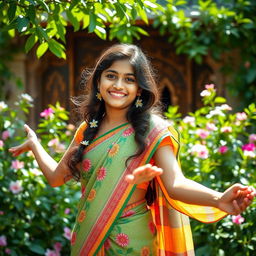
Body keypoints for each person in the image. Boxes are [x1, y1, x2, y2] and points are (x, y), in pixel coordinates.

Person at [9, 44, 255, 256]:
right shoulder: (88, 128)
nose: (118, 85)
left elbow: (175, 183)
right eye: (111, 76)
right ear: (98, 81)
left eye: (129, 79)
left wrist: (218, 198)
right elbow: (55, 178)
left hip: (131, 242)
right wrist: (35, 145)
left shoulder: (153, 130)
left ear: (139, 88)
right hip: (86, 237)